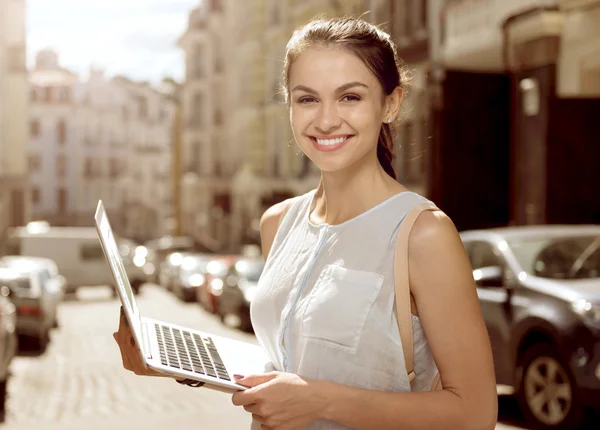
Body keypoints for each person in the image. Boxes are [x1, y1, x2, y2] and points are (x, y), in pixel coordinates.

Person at [114, 16, 498, 430]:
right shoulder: (277, 223)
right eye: (307, 99)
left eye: (350, 97)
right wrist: (173, 362)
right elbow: (289, 365)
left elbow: (474, 413)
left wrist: (320, 401)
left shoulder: (423, 234)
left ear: (391, 104)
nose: (326, 120)